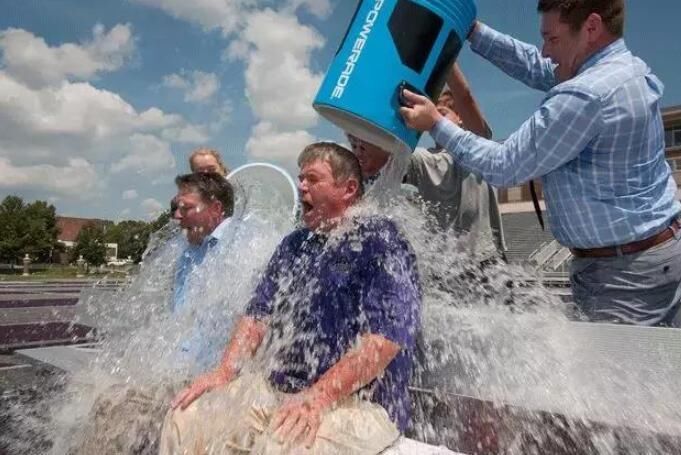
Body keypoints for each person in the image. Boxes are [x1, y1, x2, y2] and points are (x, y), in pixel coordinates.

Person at [399, 0, 681, 326]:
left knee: (616, 372)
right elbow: (536, 65)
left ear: (591, 28)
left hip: (626, 278)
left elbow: (504, 165)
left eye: (552, 39)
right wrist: (471, 31)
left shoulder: (587, 95)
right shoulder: (620, 68)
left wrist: (435, 124)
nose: (545, 51)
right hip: (643, 259)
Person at [159, 142, 421, 455]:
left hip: (357, 404)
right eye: (300, 178)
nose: (301, 186)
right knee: (186, 418)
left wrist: (320, 397)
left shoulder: (382, 241)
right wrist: (226, 370)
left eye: (312, 179)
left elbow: (384, 341)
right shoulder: (294, 244)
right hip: (277, 390)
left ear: (348, 189)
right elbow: (257, 315)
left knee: (281, 447)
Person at [74, 173, 241, 455]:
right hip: (176, 368)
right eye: (175, 207)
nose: (176, 216)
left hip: (210, 375)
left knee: (118, 409)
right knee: (107, 402)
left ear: (215, 208)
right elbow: (177, 319)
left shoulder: (242, 245)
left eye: (185, 208)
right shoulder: (189, 252)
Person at [349, 65, 505, 262]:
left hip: (489, 259)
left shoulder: (478, 147)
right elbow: (382, 156)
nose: (434, 117)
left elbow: (465, 95)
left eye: (442, 113)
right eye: (431, 113)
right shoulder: (422, 160)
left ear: (460, 119)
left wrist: (446, 52)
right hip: (447, 266)